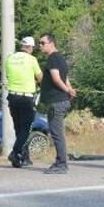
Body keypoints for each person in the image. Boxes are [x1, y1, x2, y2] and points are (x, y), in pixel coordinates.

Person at [38, 33, 76, 175]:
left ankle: (61, 164)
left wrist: (67, 91)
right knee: (57, 133)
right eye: (39, 43)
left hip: (56, 101)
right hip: (61, 100)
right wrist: (70, 90)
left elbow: (56, 79)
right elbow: (65, 78)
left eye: (42, 43)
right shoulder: (61, 58)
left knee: (57, 133)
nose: (40, 45)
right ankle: (60, 161)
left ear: (51, 43)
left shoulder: (53, 58)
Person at [4, 36, 43, 168]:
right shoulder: (32, 60)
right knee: (25, 130)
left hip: (12, 97)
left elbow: (9, 77)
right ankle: (15, 153)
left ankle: (22, 158)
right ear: (30, 47)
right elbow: (40, 77)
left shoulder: (9, 58)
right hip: (26, 98)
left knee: (18, 129)